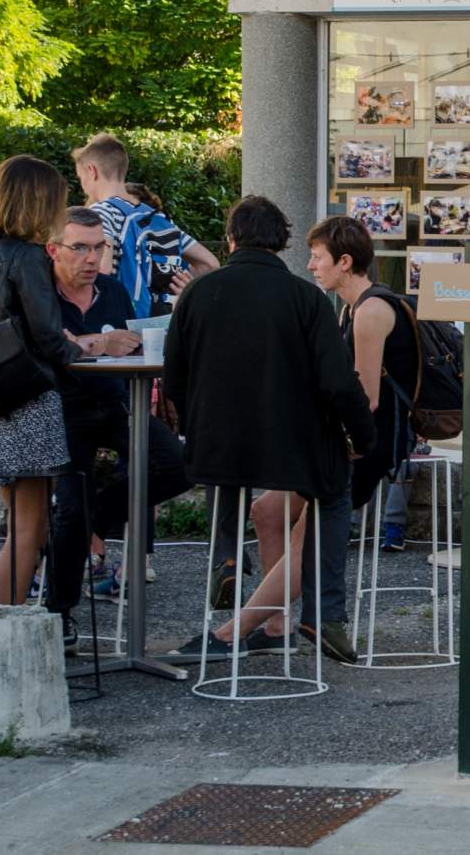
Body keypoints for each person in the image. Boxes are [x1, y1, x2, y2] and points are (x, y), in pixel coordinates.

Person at [163, 196, 374, 662]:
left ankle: (227, 558)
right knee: (334, 491)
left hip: (217, 443)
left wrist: (195, 425)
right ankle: (325, 613)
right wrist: (363, 437)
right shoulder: (306, 298)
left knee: (227, 478)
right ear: (281, 242)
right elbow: (338, 383)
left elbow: (174, 377)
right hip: (293, 445)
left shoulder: (198, 293)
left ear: (231, 239)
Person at [44, 207, 192, 651]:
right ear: (53, 250)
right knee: (71, 509)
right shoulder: (41, 295)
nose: (91, 258)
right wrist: (97, 344)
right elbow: (47, 349)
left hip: (114, 402)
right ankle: (59, 614)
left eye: (99, 248)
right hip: (65, 409)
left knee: (179, 464)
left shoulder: (112, 291)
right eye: (80, 248)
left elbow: (129, 343)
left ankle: (96, 518)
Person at [0, 156, 83, 606]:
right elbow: (47, 335)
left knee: (18, 527)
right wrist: (85, 350)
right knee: (30, 531)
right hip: (30, 398)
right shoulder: (27, 256)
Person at [308, 213, 414, 605]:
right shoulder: (350, 310)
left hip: (375, 443)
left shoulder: (370, 311)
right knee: (270, 510)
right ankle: (278, 614)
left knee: (301, 524)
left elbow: (365, 399)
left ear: (344, 262)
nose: (311, 265)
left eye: (317, 256)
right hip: (360, 437)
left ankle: (270, 619)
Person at [73, 133, 219, 318]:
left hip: (121, 321)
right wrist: (186, 286)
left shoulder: (100, 212)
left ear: (91, 171)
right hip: (159, 322)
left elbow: (103, 268)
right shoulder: (155, 216)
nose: (83, 186)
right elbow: (210, 263)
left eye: (81, 178)